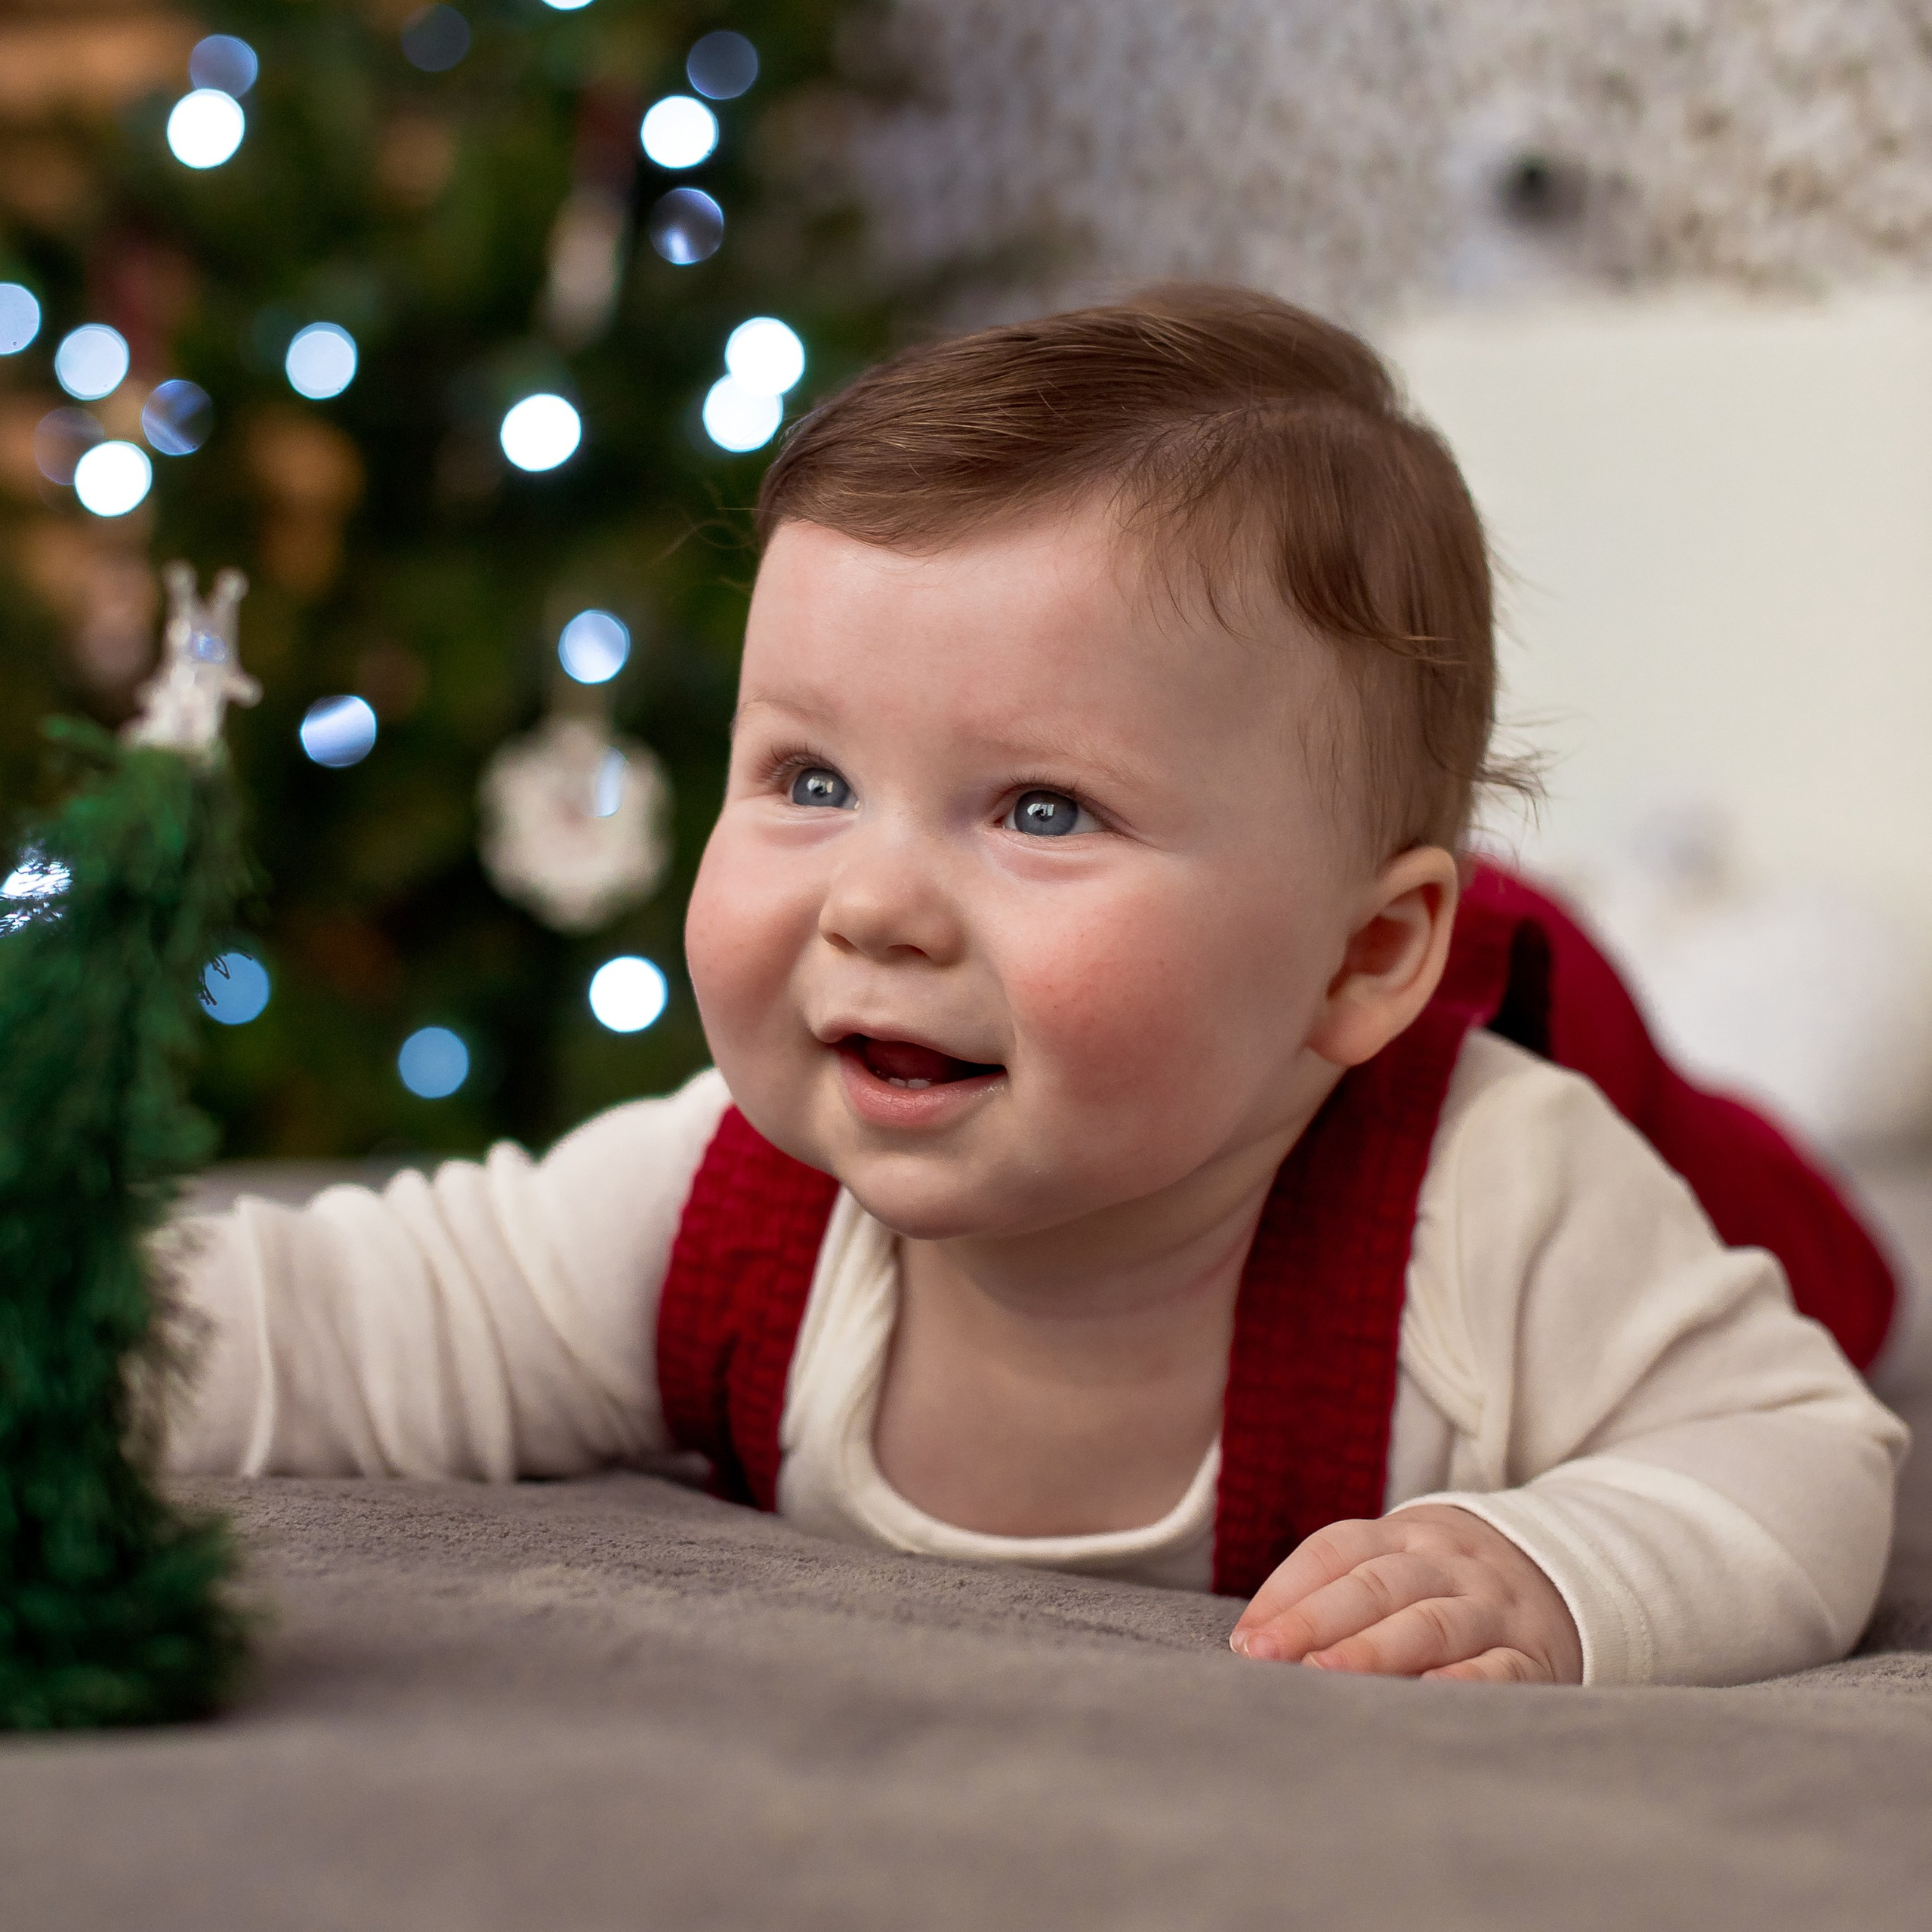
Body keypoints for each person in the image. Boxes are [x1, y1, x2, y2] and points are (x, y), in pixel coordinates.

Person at [162, 287, 1908, 1688]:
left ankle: (1704, 939)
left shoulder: (1499, 1195)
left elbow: (1798, 1447)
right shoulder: (719, 1200)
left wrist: (1557, 1565)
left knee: (1803, 1230)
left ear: (1364, 958)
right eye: (810, 779)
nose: (875, 904)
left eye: (1041, 808)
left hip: (1593, 1088)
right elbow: (355, 1308)